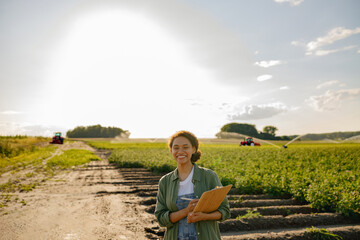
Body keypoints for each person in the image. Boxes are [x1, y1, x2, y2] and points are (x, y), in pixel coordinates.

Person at [155, 130, 230, 240]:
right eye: (176, 148)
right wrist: (186, 211)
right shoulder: (165, 182)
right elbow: (161, 218)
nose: (180, 151)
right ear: (171, 150)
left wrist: (204, 216)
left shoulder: (209, 177)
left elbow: (225, 211)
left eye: (185, 147)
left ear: (194, 149)